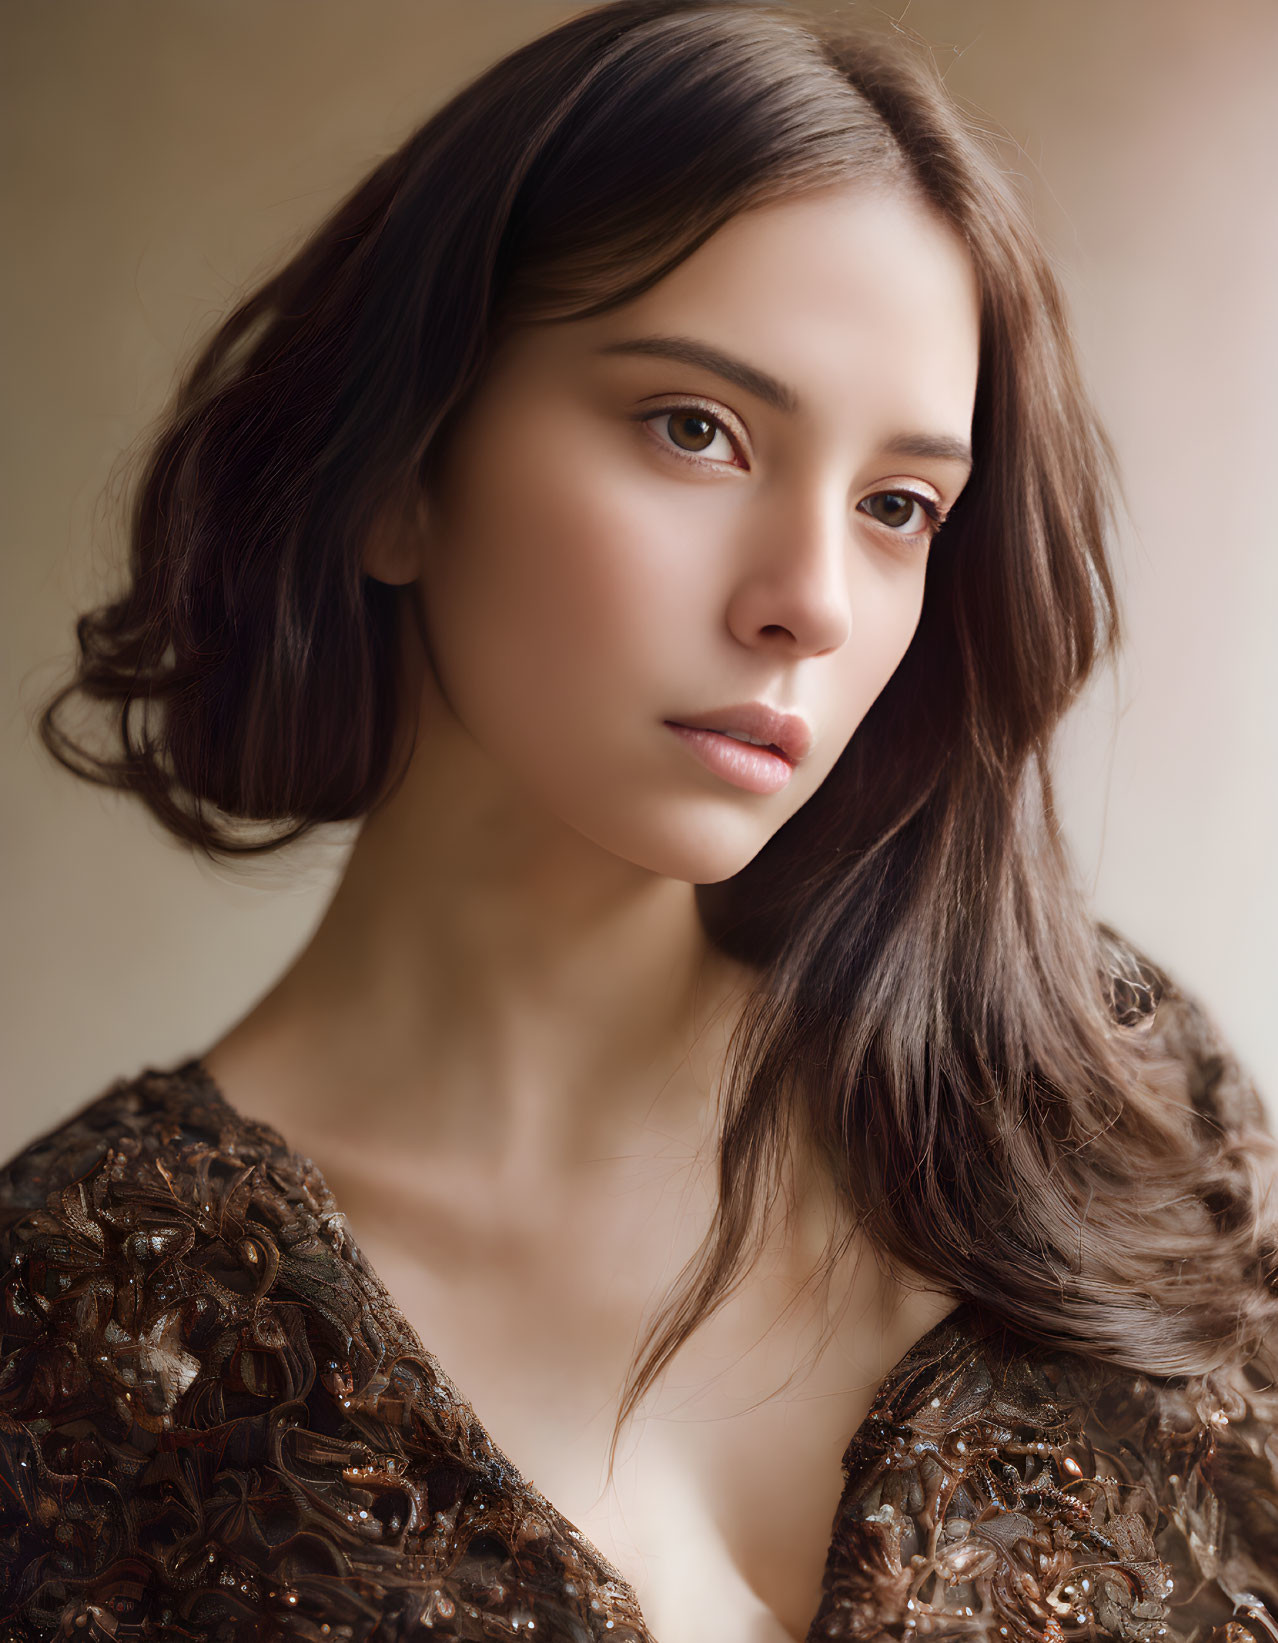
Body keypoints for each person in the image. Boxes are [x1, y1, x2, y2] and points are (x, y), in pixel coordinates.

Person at [2, 1, 1275, 1638]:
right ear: (398, 467)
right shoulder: (69, 1334)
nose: (809, 601)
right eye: (696, 429)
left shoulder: (1109, 1105)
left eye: (898, 508)